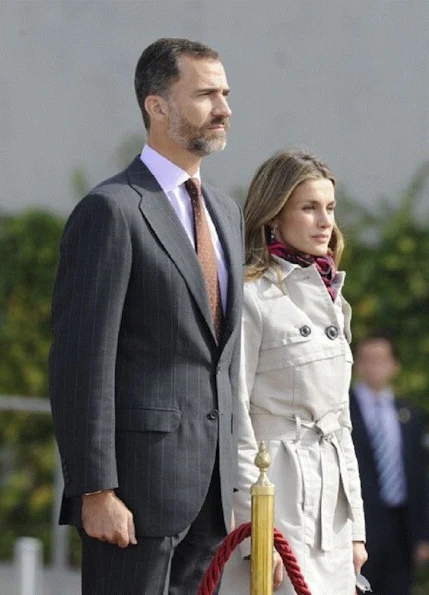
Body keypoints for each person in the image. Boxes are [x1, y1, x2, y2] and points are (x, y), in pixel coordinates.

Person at [49, 37, 244, 595]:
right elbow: (81, 361)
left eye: (225, 93)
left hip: (210, 498)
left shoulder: (225, 213)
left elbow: (220, 358)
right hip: (133, 498)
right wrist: (95, 491)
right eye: (206, 94)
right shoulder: (110, 210)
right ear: (157, 106)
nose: (225, 108)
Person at [220, 150, 367, 594]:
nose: (326, 222)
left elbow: (341, 424)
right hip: (277, 496)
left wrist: (356, 526)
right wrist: (252, 534)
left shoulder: (332, 296)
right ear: (273, 217)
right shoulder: (250, 296)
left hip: (333, 511)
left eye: (330, 208)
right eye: (309, 207)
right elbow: (236, 419)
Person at [350, 334, 429, 595]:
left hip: (401, 526)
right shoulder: (343, 410)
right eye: (367, 360)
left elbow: (417, 476)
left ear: (395, 365)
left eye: (381, 360)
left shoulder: (409, 414)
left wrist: (422, 534)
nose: (374, 367)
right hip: (360, 526)